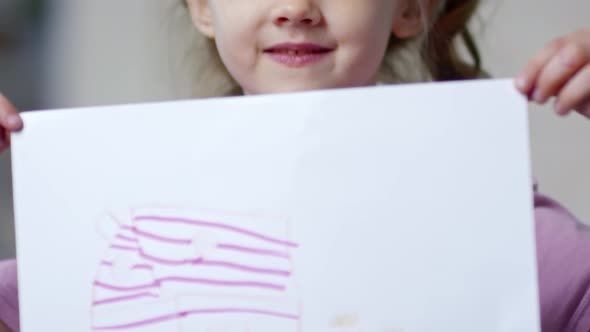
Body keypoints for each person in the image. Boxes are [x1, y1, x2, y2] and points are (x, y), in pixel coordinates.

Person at [1, 0, 590, 331]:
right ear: (204, 7)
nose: (295, 8)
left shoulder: (512, 237)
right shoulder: (103, 247)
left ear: (410, 8)